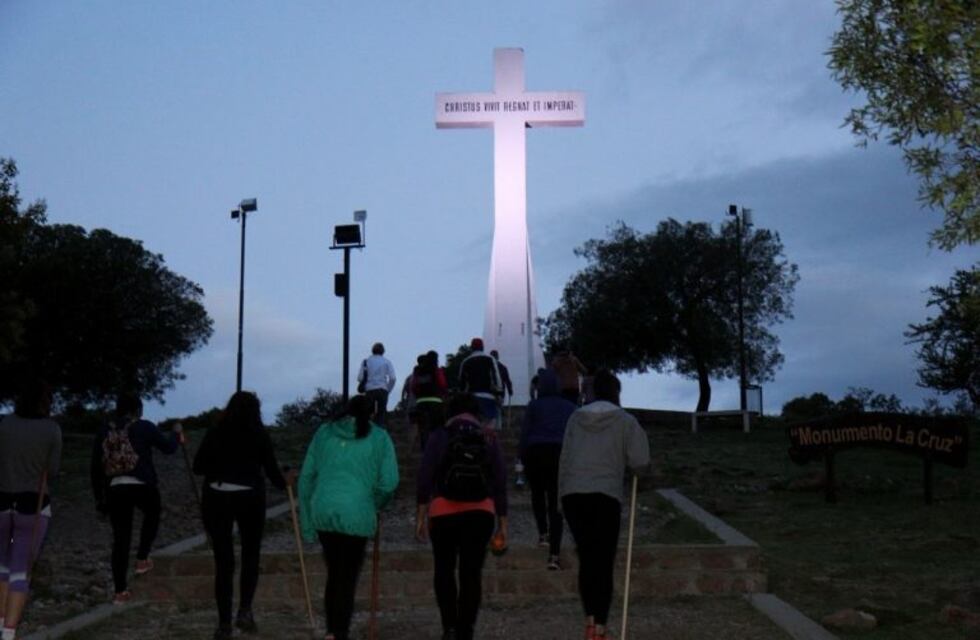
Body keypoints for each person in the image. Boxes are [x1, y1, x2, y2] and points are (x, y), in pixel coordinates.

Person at [558, 370, 650, 640]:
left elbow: (564, 457)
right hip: (605, 494)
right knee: (603, 560)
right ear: (616, 392)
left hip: (574, 494)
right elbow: (640, 461)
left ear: (593, 391)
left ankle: (590, 621)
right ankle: (600, 627)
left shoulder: (575, 417)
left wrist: (559, 498)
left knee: (587, 558)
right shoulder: (625, 420)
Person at [299, 395, 398, 640]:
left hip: (324, 509)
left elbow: (305, 477)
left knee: (335, 572)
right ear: (372, 413)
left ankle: (332, 630)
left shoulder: (324, 432)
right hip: (356, 512)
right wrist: (374, 504)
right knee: (347, 575)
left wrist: (307, 522)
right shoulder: (379, 437)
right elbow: (389, 483)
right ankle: (339, 632)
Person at [193, 391, 287, 639]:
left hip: (217, 496)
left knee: (224, 563)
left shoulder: (215, 432)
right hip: (250, 497)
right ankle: (245, 610)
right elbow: (273, 474)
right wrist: (289, 482)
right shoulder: (258, 434)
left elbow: (198, 466)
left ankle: (224, 624)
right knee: (250, 555)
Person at [416, 393, 508, 640]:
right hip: (481, 512)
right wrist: (503, 523)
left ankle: (449, 627)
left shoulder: (440, 435)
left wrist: (421, 516)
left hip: (443, 512)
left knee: (444, 569)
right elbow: (500, 480)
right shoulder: (488, 437)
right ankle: (465, 630)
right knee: (471, 572)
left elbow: (425, 476)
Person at [91, 393, 181, 604]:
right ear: (137, 410)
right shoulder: (144, 427)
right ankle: (142, 557)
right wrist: (176, 434)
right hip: (142, 484)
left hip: (115, 487)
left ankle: (120, 592)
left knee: (121, 539)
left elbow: (95, 467)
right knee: (153, 511)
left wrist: (100, 499)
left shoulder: (105, 430)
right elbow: (168, 448)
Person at [0, 381, 62, 640]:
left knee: (1, 566)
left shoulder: (4, 424)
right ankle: (8, 633)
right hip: (32, 505)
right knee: (20, 570)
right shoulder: (51, 429)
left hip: (2, 501)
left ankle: (0, 621)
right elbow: (54, 469)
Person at [518, 369, 576, 570]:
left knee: (537, 493)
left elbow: (525, 432)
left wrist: (521, 456)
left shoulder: (534, 405)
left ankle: (543, 533)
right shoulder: (570, 407)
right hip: (560, 453)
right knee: (556, 503)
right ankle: (554, 555)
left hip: (535, 452)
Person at [457, 338, 502, 429]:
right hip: (488, 397)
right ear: (483, 347)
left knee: (473, 425)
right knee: (489, 426)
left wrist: (462, 397)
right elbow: (496, 378)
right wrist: (499, 393)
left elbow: (461, 383)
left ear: (471, 348)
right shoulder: (490, 359)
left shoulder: (465, 362)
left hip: (471, 399)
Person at [412, 350, 448, 451]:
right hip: (435, 402)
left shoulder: (417, 370)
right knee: (437, 427)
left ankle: (425, 450)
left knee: (423, 428)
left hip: (421, 402)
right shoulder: (436, 369)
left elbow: (413, 386)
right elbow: (442, 384)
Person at [356, 342, 397, 426]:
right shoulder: (387, 362)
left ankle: (366, 432)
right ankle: (379, 432)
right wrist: (387, 389)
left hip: (369, 390)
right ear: (383, 351)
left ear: (372, 351)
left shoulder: (366, 362)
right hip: (383, 389)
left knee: (366, 414)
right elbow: (393, 378)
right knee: (381, 415)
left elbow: (360, 378)